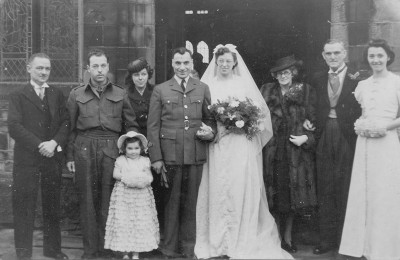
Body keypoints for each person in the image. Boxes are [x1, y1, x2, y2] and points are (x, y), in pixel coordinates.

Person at [195, 44, 293, 259]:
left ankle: (239, 238)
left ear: (234, 63)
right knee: (219, 186)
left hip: (240, 144)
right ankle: (219, 241)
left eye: (228, 61)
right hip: (218, 144)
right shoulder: (206, 84)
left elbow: (258, 115)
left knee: (239, 187)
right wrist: (214, 129)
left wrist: (242, 121)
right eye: (221, 61)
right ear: (216, 62)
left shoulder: (242, 84)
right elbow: (201, 114)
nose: (224, 64)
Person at [66, 49, 139, 259]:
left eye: (103, 65)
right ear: (88, 69)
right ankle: (90, 250)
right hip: (84, 148)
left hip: (111, 148)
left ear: (108, 67)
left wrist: (130, 155)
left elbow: (131, 126)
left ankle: (109, 248)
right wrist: (70, 157)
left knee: (111, 199)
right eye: (95, 66)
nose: (99, 70)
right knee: (87, 200)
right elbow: (70, 127)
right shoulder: (76, 94)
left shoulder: (120, 93)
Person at [147, 47, 216, 258]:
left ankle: (188, 249)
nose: (182, 67)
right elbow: (153, 126)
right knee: (171, 202)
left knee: (191, 203)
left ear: (192, 63)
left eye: (186, 63)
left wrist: (210, 133)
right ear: (172, 64)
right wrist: (156, 157)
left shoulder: (202, 88)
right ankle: (168, 248)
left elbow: (210, 119)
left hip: (194, 153)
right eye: (178, 63)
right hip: (170, 154)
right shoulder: (161, 89)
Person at [339, 39, 400, 260]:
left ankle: (384, 248)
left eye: (380, 56)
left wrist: (384, 126)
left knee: (384, 192)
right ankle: (362, 245)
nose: (376, 60)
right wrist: (363, 125)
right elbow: (360, 113)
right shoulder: (362, 85)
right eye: (372, 56)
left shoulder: (397, 82)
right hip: (365, 143)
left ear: (388, 57)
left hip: (386, 141)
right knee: (364, 189)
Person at [8, 53, 69, 260]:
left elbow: (65, 122)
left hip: (51, 157)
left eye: (47, 69)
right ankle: (23, 253)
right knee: (24, 206)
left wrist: (53, 143)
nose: (44, 72)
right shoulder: (18, 94)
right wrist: (39, 145)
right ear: (28, 68)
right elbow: (14, 126)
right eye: (39, 68)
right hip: (27, 160)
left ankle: (52, 250)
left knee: (52, 205)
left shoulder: (57, 94)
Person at [307, 39, 361, 255]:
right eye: (328, 53)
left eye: (337, 53)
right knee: (325, 186)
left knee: (346, 185)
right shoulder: (317, 78)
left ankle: (346, 241)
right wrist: (307, 120)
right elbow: (310, 105)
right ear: (323, 55)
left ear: (345, 54)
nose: (333, 57)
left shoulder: (358, 78)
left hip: (347, 135)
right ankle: (326, 240)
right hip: (323, 135)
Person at [260, 55, 317, 254]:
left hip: (295, 152)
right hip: (273, 151)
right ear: (274, 76)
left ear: (293, 73)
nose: (283, 76)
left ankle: (288, 237)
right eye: (279, 73)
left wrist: (307, 137)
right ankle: (274, 235)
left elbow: (314, 121)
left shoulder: (305, 91)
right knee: (274, 195)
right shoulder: (266, 91)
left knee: (292, 197)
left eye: (287, 72)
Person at [104, 131, 159, 260]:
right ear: (124, 149)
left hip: (140, 197)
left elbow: (149, 177)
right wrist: (128, 178)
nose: (133, 151)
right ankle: (124, 252)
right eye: (130, 148)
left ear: (141, 149)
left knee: (138, 222)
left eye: (136, 148)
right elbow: (115, 174)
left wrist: (143, 181)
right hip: (124, 196)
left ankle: (136, 252)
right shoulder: (121, 160)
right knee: (124, 222)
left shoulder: (145, 161)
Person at [125, 58, 154, 137]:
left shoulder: (156, 92)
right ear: (131, 77)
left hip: (152, 136)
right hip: (133, 137)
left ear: (148, 75)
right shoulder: (125, 95)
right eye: (136, 75)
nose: (140, 78)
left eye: (143, 74)